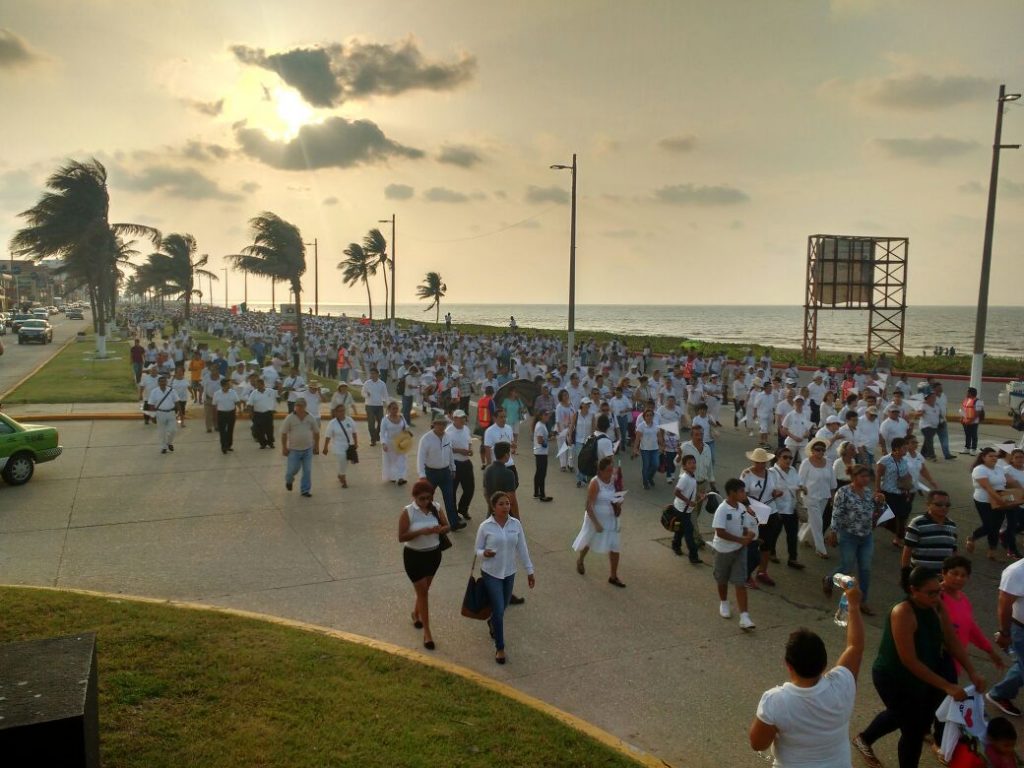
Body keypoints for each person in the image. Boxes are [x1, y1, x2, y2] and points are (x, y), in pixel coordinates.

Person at [853, 567, 987, 768]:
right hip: (894, 677)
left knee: (906, 717)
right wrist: (946, 686)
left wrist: (972, 671)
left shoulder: (936, 605)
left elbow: (951, 640)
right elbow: (909, 660)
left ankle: (864, 739)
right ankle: (867, 741)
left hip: (923, 675)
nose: (936, 596)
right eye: (930, 592)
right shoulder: (903, 612)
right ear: (913, 590)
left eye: (938, 591)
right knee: (913, 730)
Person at [750, 581, 864, 767]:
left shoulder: (775, 701)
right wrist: (854, 605)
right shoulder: (842, 684)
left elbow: (757, 744)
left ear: (788, 665)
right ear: (825, 663)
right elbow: (855, 646)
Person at [475, 491, 535, 664]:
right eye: (501, 504)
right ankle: (500, 648)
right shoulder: (485, 526)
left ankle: (492, 621)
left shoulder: (516, 525)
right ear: (493, 507)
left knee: (503, 606)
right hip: (491, 573)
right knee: (500, 610)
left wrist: (530, 571)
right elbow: (477, 550)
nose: (505, 507)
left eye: (507, 503)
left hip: (509, 572)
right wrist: (483, 552)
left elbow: (522, 549)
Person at [398, 479, 450, 651]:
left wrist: (440, 530)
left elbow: (447, 526)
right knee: (423, 593)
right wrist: (421, 532)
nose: (426, 502)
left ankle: (415, 613)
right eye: (422, 499)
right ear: (414, 497)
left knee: (424, 590)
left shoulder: (436, 507)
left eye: (428, 498)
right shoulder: (408, 512)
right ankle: (427, 632)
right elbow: (401, 537)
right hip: (414, 557)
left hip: (433, 555)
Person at [824, 464, 877, 615]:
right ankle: (829, 578)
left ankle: (863, 601)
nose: (866, 479)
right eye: (863, 476)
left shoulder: (868, 492)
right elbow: (837, 513)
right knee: (847, 566)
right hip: (849, 535)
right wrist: (833, 532)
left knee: (865, 569)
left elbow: (872, 510)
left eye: (868, 476)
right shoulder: (844, 492)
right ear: (854, 477)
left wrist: (879, 503)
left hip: (866, 536)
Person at [939, 555, 1005, 676]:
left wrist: (990, 651)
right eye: (954, 573)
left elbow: (971, 628)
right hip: (937, 661)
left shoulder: (963, 599)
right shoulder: (935, 598)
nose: (959, 578)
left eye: (963, 576)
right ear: (943, 573)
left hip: (954, 663)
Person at [711, 478, 758, 630]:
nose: (744, 494)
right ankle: (724, 602)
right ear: (732, 493)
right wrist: (740, 539)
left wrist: (749, 535)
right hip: (723, 550)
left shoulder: (742, 508)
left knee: (740, 582)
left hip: (739, 550)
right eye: (742, 491)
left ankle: (744, 617)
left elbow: (744, 527)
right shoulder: (722, 509)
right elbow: (720, 531)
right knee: (722, 578)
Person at [572, 456, 626, 587]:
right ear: (600, 471)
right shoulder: (595, 483)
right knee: (589, 541)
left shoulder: (615, 481)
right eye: (608, 470)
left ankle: (613, 576)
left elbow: (618, 497)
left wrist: (619, 503)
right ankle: (581, 559)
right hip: (595, 518)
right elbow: (588, 506)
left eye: (612, 469)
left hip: (611, 519)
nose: (611, 472)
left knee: (615, 546)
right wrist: (596, 524)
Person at [741, 447, 783, 587]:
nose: (761, 465)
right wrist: (748, 507)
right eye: (758, 462)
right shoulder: (746, 474)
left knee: (767, 544)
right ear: (753, 461)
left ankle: (762, 572)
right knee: (751, 545)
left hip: (769, 513)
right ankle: (745, 574)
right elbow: (741, 494)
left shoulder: (771, 474)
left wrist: (776, 492)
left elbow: (773, 489)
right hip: (752, 514)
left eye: (763, 462)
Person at [968, 447, 1019, 561]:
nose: (994, 458)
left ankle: (992, 551)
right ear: (983, 457)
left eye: (995, 456)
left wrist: (1021, 492)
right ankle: (972, 537)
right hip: (984, 501)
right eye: (991, 456)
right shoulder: (979, 469)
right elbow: (988, 488)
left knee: (996, 527)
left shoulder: (1000, 468)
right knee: (988, 525)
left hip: (999, 500)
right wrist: (1001, 501)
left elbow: (1011, 482)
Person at [989, 556, 1024, 717]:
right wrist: (1005, 633)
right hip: (1020, 629)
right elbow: (1004, 604)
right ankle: (999, 694)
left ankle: (1000, 693)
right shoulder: (1016, 571)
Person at [417, 414, 461, 529]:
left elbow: (450, 453)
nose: (441, 426)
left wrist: (453, 468)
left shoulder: (447, 437)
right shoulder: (426, 439)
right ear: (434, 424)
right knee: (427, 499)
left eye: (444, 424)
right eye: (439, 424)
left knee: (450, 498)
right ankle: (427, 522)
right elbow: (420, 457)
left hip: (446, 472)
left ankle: (454, 523)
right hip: (431, 473)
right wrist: (422, 475)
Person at [901, 490, 958, 574]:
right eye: (939, 504)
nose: (944, 507)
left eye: (947, 505)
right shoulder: (917, 523)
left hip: (944, 576)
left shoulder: (952, 525)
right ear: (928, 505)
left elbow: (953, 551)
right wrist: (905, 573)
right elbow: (907, 550)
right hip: (921, 576)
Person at [798, 438, 837, 558]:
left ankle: (802, 536)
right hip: (810, 496)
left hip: (824, 496)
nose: (820, 452)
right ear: (812, 450)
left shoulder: (829, 463)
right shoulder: (806, 463)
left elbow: (832, 481)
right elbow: (800, 480)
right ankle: (820, 549)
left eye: (823, 450)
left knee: (814, 520)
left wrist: (832, 496)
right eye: (818, 450)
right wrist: (802, 490)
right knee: (818, 522)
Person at [875, 437, 914, 548]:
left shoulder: (904, 460)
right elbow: (878, 475)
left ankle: (898, 538)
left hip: (902, 493)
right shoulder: (884, 460)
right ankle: (897, 533)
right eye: (904, 448)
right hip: (888, 493)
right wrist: (877, 491)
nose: (906, 450)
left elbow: (906, 475)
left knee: (903, 516)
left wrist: (909, 484)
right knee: (890, 517)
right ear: (896, 449)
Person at [671, 454, 706, 563]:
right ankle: (693, 556)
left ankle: (675, 545)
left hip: (684, 509)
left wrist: (700, 495)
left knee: (680, 529)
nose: (693, 465)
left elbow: (691, 489)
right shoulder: (685, 478)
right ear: (684, 466)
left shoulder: (692, 476)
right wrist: (688, 501)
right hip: (682, 510)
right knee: (689, 532)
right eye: (689, 463)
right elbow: (676, 492)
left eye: (694, 462)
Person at [281, 397, 320, 497]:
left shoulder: (310, 417)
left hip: (308, 449)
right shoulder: (290, 418)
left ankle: (305, 490)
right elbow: (284, 434)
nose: (298, 407)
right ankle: (289, 481)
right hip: (294, 450)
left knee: (307, 470)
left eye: (300, 406)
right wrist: (284, 447)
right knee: (292, 470)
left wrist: (316, 446)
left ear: (305, 407)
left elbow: (316, 432)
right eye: (297, 405)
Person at [447, 409, 476, 518]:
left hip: (466, 462)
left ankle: (463, 509)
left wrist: (470, 449)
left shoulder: (466, 429)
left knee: (470, 488)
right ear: (454, 419)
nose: (463, 419)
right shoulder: (449, 431)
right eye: (460, 418)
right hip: (454, 463)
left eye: (464, 417)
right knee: (452, 490)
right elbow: (447, 448)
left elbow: (469, 441)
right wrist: (460, 450)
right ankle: (454, 514)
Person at [322, 403, 358, 488]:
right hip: (337, 446)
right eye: (339, 411)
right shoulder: (332, 423)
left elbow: (354, 432)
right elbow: (328, 436)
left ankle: (340, 473)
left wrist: (356, 443)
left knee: (344, 462)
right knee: (342, 458)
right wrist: (325, 447)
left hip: (348, 445)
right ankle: (343, 478)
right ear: (335, 412)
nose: (341, 413)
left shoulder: (349, 420)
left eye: (343, 410)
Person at [380, 401, 411, 486]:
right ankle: (393, 477)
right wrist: (383, 444)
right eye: (393, 408)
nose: (395, 410)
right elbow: (382, 433)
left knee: (401, 460)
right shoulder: (385, 420)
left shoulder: (401, 417)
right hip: (390, 444)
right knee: (392, 462)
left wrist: (406, 429)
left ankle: (400, 478)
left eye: (396, 408)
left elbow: (406, 426)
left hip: (401, 443)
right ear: (389, 409)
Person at [147, 374, 179, 454]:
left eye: (164, 381)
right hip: (160, 413)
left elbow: (177, 402)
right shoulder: (154, 392)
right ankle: (163, 447)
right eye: (161, 381)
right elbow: (151, 404)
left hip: (171, 412)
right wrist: (152, 416)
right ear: (158, 383)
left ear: (166, 382)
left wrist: (180, 414)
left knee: (173, 430)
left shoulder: (172, 391)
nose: (162, 383)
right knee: (162, 432)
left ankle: (169, 442)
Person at [632, 406, 661, 490]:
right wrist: (635, 449)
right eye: (647, 415)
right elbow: (637, 439)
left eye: (651, 415)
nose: (649, 417)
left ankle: (649, 477)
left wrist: (662, 445)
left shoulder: (656, 425)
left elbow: (659, 436)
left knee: (656, 465)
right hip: (645, 449)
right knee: (646, 466)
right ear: (644, 417)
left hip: (655, 448)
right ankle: (645, 482)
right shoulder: (641, 426)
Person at [246, 377, 277, 449]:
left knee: (269, 429)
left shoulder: (270, 391)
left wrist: (280, 385)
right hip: (258, 414)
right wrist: (250, 413)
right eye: (256, 385)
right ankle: (263, 443)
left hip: (268, 413)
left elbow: (279, 393)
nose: (257, 386)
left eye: (259, 385)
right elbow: (249, 404)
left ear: (263, 384)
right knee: (258, 430)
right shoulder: (254, 393)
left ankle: (270, 443)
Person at [212, 376, 239, 454]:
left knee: (230, 430)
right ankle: (224, 446)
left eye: (229, 384)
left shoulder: (233, 392)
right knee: (222, 431)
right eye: (228, 384)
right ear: (223, 385)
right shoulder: (216, 394)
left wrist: (239, 410)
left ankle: (229, 445)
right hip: (221, 414)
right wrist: (214, 417)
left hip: (231, 413)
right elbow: (214, 406)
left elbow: (237, 401)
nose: (229, 385)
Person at [361, 368, 388, 446]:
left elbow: (385, 395)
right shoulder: (367, 383)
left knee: (381, 422)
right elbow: (362, 393)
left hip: (379, 405)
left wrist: (388, 404)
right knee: (371, 424)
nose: (372, 375)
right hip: (369, 405)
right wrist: (366, 395)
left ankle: (376, 435)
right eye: (371, 373)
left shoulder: (382, 383)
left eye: (374, 373)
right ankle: (373, 440)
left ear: (377, 374)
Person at [531, 409, 553, 502]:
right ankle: (542, 495)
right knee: (542, 474)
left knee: (538, 473)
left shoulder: (541, 425)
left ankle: (536, 492)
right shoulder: (540, 426)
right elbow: (540, 440)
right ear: (541, 416)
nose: (547, 416)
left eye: (548, 415)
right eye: (545, 415)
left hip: (539, 452)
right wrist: (548, 440)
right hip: (541, 452)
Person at [959, 386, 984, 456]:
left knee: (973, 435)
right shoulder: (966, 400)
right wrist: (962, 418)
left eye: (967, 392)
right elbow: (964, 409)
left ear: (970, 393)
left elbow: (978, 413)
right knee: (967, 435)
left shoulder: (978, 401)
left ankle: (973, 449)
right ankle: (967, 448)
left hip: (973, 422)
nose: (966, 393)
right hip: (965, 421)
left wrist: (971, 421)